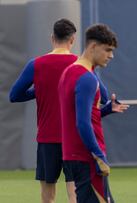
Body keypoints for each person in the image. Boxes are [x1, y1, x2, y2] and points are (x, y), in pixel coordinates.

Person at [58, 24, 129, 203]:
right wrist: (98, 155)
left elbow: (78, 114)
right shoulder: (87, 78)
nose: (111, 56)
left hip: (73, 155)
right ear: (93, 46)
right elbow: (82, 123)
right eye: (108, 50)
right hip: (87, 157)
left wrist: (105, 109)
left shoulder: (69, 72)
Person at [9, 18, 78, 203]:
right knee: (75, 194)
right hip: (73, 139)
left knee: (48, 196)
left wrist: (37, 91)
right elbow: (101, 95)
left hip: (48, 139)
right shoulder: (80, 64)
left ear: (52, 38)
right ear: (72, 40)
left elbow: (14, 95)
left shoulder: (36, 64)